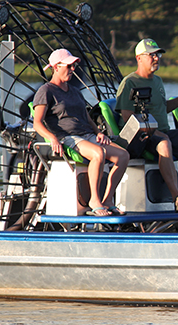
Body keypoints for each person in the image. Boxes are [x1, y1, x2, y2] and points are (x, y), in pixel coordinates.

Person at [115, 38, 178, 212]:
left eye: (157, 54)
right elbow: (128, 117)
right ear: (139, 58)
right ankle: (177, 199)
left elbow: (162, 108)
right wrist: (155, 132)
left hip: (163, 132)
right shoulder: (129, 83)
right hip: (140, 136)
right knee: (164, 142)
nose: (157, 58)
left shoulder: (157, 81)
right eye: (152, 55)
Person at [33, 48, 129, 216]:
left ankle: (107, 200)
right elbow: (37, 123)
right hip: (68, 138)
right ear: (56, 67)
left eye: (74, 66)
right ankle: (94, 200)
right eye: (68, 66)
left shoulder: (75, 91)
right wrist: (52, 138)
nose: (72, 70)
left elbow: (88, 118)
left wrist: (98, 132)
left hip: (88, 135)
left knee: (123, 155)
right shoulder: (46, 91)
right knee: (99, 153)